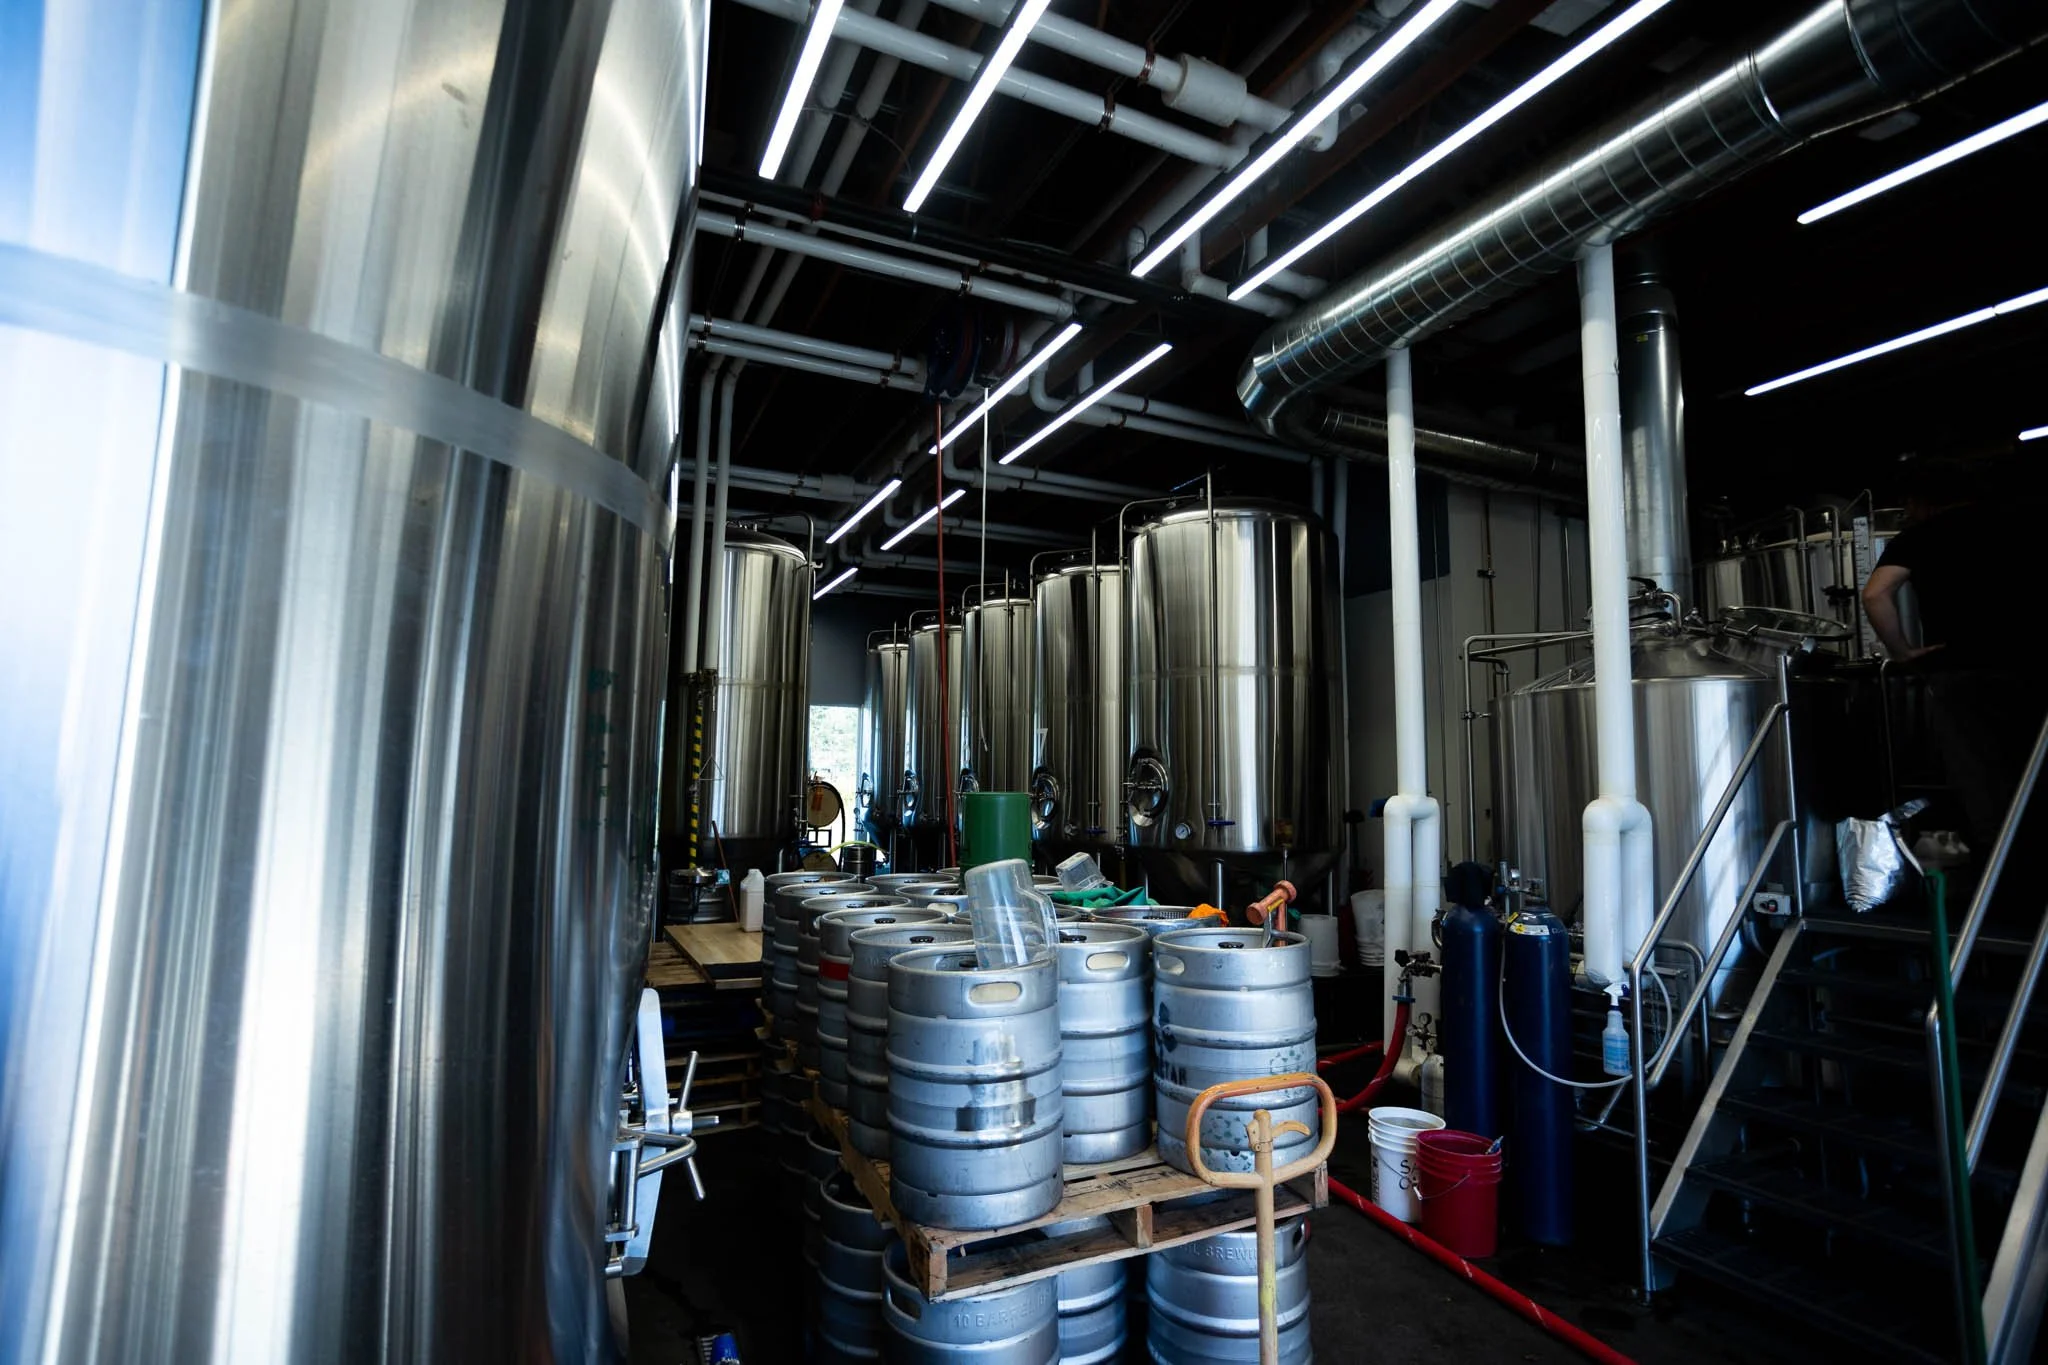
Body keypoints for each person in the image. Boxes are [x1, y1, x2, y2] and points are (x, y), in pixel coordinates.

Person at [1862, 468, 2045, 848]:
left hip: (1960, 670)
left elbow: (1875, 594)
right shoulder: (2022, 521)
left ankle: (2001, 884)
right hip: (2031, 665)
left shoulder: (1920, 535)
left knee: (1982, 781)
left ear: (1920, 502)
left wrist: (1903, 653)